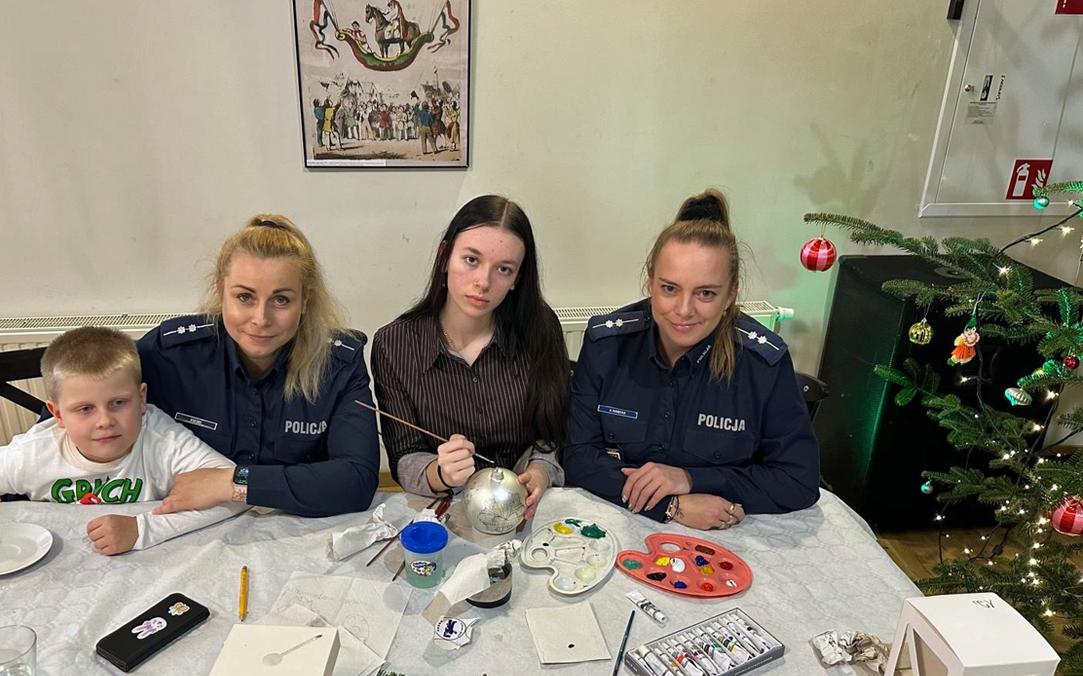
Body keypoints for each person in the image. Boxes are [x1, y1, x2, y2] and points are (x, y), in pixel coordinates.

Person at [562, 189, 819, 530]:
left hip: (724, 536)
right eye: (669, 288)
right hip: (618, 526)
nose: (684, 310)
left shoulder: (762, 363)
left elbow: (798, 481)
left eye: (706, 293)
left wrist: (690, 478)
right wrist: (671, 506)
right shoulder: (606, 345)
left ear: (730, 294)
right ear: (650, 283)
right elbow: (578, 456)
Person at [0, 327, 247, 570]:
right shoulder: (34, 453)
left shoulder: (164, 441)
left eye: (118, 403)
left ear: (141, 398)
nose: (105, 421)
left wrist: (141, 529)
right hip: (53, 574)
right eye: (85, 409)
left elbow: (237, 492)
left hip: (146, 568)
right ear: (58, 414)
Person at [138, 215, 379, 518]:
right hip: (187, 522)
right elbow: (84, 411)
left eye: (281, 300)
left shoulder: (338, 365)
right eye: (244, 297)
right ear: (219, 290)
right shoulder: (168, 352)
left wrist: (234, 482)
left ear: (306, 300)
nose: (261, 319)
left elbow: (356, 481)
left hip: (293, 529)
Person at [371, 195, 570, 518]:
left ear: (517, 279)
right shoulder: (393, 344)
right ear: (444, 257)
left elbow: (551, 434)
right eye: (471, 260)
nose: (483, 282)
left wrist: (541, 471)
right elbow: (404, 456)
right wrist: (440, 472)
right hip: (444, 511)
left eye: (503, 269)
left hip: (526, 508)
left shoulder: (541, 329)